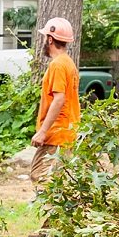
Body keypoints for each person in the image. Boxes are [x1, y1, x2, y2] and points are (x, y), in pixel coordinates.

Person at [30, 17, 81, 186]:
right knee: (58, 182)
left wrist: (43, 131)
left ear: (50, 39)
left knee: (43, 178)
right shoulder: (68, 63)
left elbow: (59, 99)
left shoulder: (58, 65)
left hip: (57, 135)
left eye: (45, 37)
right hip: (66, 133)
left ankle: (53, 212)